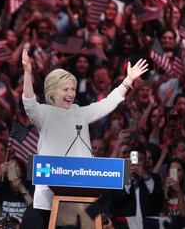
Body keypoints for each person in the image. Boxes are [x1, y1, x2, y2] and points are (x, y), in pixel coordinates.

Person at [21, 48, 148, 226]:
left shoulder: (79, 113)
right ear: (52, 92)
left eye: (73, 89)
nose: (71, 94)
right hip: (51, 193)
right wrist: (27, 73)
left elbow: (107, 104)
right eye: (65, 89)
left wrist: (128, 80)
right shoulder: (44, 113)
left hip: (82, 191)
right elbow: (29, 103)